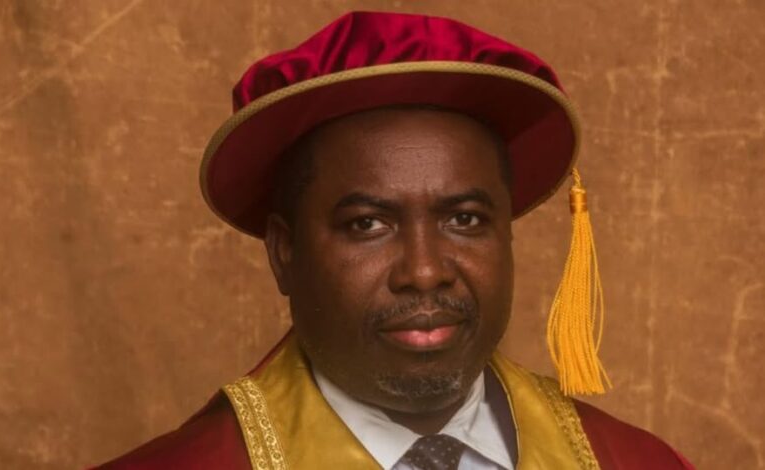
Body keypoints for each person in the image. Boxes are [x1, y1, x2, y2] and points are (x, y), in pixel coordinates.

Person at [94, 11, 694, 470]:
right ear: (284, 253)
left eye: (464, 220)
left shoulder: (635, 462)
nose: (425, 271)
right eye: (367, 225)